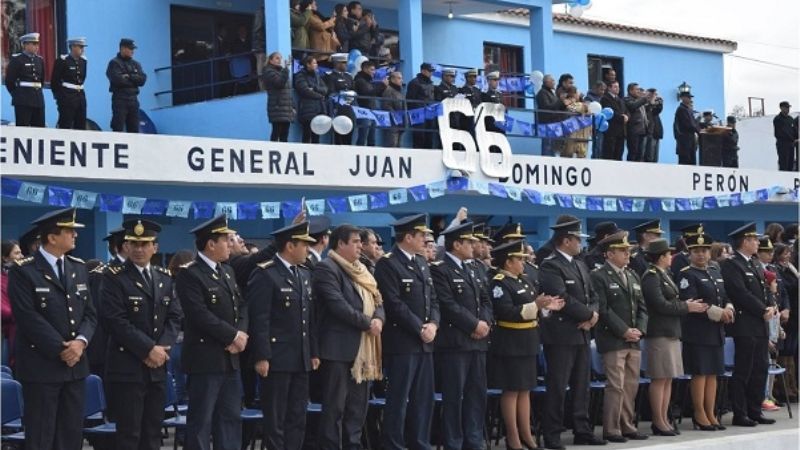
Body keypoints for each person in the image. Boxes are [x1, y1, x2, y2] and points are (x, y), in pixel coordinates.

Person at [8, 207, 96, 450]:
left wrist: (80, 343)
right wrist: (62, 348)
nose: (75, 236)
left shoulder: (78, 268)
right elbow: (27, 317)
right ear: (52, 237)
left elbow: (90, 314)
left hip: (76, 365)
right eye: (69, 231)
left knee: (71, 434)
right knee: (42, 435)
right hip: (42, 365)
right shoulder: (23, 270)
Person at [101, 219, 183, 450]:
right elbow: (115, 321)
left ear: (154, 248)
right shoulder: (114, 278)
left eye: (144, 244)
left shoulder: (163, 277)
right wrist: (149, 349)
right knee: (129, 433)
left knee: (153, 431)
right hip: (128, 367)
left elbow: (174, 317)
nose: (138, 249)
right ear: (126, 246)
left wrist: (162, 347)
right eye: (133, 244)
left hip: (157, 367)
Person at [177, 214, 249, 450]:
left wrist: (241, 334)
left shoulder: (226, 271)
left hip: (230, 360)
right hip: (205, 361)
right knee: (201, 422)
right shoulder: (190, 273)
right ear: (210, 244)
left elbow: (242, 306)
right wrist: (231, 336)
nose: (230, 245)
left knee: (229, 420)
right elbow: (199, 315)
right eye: (225, 240)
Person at [248, 221, 318, 450]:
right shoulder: (266, 274)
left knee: (298, 416)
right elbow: (259, 319)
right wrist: (261, 356)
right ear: (290, 245)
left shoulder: (304, 274)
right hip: (277, 358)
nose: (308, 249)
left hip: (301, 357)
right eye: (304, 245)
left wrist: (313, 351)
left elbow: (309, 318)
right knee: (276, 419)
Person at [314, 224, 385, 450]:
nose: (359, 246)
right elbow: (338, 306)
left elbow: (378, 299)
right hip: (338, 350)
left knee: (357, 409)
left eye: (360, 242)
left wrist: (379, 320)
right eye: (354, 242)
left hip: (363, 352)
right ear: (340, 244)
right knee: (335, 408)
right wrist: (368, 323)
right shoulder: (327, 268)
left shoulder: (363, 269)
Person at [538, 216, 606, 449]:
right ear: (566, 240)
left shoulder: (579, 263)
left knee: (581, 385)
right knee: (558, 386)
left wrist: (593, 315)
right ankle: (553, 433)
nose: (580, 243)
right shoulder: (550, 265)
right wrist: (588, 315)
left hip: (582, 333)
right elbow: (561, 298)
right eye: (577, 239)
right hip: (561, 335)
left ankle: (582, 429)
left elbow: (593, 295)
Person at [489, 240, 564, 450]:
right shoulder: (499, 283)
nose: (524, 262)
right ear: (508, 261)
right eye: (519, 259)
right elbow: (506, 312)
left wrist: (547, 307)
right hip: (511, 342)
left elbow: (535, 310)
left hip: (529, 340)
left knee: (525, 390)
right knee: (512, 390)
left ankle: (526, 434)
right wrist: (535, 305)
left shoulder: (525, 281)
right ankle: (513, 437)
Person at [374, 214, 440, 450]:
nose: (426, 240)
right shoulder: (388, 263)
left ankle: (419, 443)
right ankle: (393, 444)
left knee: (423, 400)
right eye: (422, 235)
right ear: (408, 237)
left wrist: (433, 324)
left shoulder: (421, 262)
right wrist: (419, 327)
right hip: (403, 343)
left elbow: (432, 299)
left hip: (425, 342)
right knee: (399, 400)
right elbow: (393, 303)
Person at [429, 222, 493, 450]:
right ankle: (453, 442)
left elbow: (486, 300)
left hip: (478, 343)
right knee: (454, 397)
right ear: (456, 244)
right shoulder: (440, 269)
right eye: (469, 242)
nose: (474, 246)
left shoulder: (474, 269)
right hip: (455, 343)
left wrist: (484, 324)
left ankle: (473, 441)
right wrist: (474, 324)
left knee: (477, 396)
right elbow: (447, 305)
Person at [641, 239, 708, 436]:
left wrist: (685, 304)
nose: (671, 257)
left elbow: (673, 300)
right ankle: (658, 420)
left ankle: (664, 418)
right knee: (660, 378)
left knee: (668, 378)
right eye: (668, 254)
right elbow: (660, 305)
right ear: (661, 257)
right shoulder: (651, 276)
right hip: (659, 331)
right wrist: (687, 307)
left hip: (671, 331)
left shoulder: (666, 274)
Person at [591, 231, 649, 443]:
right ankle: (612, 428)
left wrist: (639, 330)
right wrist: (624, 330)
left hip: (633, 339)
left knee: (631, 384)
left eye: (628, 251)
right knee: (616, 385)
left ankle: (628, 425)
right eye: (623, 251)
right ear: (609, 254)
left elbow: (642, 307)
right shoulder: (599, 276)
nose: (628, 254)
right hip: (614, 339)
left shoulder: (632, 275)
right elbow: (604, 310)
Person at [675, 229, 734, 431]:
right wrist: (719, 313)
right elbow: (693, 303)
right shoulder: (687, 275)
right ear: (690, 253)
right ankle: (699, 413)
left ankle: (711, 412)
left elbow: (724, 296)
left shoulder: (715, 272)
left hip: (716, 331)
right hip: (698, 331)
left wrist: (729, 308)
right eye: (696, 251)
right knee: (700, 373)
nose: (701, 254)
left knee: (713, 374)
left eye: (704, 250)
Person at [720, 223, 777, 427]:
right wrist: (763, 309)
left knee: (760, 368)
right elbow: (740, 293)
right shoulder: (732, 264)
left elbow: (765, 289)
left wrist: (771, 305)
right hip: (745, 325)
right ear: (745, 241)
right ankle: (740, 413)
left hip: (760, 325)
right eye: (754, 240)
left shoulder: (753, 263)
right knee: (744, 369)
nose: (757, 243)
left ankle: (755, 410)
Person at [772, 243, 799, 402]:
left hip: (793, 312)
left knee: (791, 351)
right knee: (785, 350)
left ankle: (792, 386)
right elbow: (787, 289)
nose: (788, 255)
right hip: (785, 315)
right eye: (785, 252)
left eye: (789, 252)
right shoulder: (778, 269)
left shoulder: (790, 268)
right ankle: (783, 389)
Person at [5, 33, 45, 127]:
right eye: (34, 44)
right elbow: (9, 81)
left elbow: (41, 80)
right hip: (23, 99)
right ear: (25, 45)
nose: (37, 47)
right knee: (23, 128)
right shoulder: (17, 59)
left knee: (40, 129)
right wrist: (17, 95)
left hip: (38, 99)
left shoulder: (39, 60)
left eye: (37, 44)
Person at [107, 38, 146, 132]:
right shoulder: (114, 63)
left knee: (134, 128)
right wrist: (134, 80)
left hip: (133, 99)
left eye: (133, 49)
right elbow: (118, 80)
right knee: (118, 126)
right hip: (120, 99)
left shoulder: (136, 64)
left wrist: (129, 76)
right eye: (130, 49)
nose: (132, 51)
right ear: (123, 48)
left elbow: (142, 80)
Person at [51, 37, 88, 129]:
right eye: (81, 47)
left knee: (80, 123)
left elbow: (82, 78)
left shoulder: (83, 61)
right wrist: (59, 97)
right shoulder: (63, 60)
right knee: (66, 123)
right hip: (67, 96)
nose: (83, 49)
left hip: (80, 96)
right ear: (73, 47)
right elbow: (55, 81)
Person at [295, 55, 328, 143]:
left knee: (316, 137)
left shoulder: (317, 76)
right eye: (314, 63)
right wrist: (320, 96)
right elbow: (304, 90)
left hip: (318, 109)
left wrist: (314, 88)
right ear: (308, 64)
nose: (316, 65)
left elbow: (325, 89)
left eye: (316, 63)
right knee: (307, 135)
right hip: (307, 110)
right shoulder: (300, 75)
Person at [354, 60, 388, 146]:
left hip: (372, 112)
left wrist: (384, 87)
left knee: (372, 139)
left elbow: (375, 93)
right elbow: (367, 93)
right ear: (365, 69)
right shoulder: (360, 80)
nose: (374, 72)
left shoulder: (369, 81)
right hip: (363, 112)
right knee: (363, 137)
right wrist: (382, 85)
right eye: (372, 69)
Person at [263, 52, 294, 142]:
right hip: (277, 106)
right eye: (277, 58)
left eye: (280, 58)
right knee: (276, 131)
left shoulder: (281, 71)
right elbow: (279, 83)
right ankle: (273, 152)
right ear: (270, 60)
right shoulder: (268, 71)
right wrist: (286, 69)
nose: (279, 60)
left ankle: (284, 152)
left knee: (285, 133)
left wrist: (292, 106)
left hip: (286, 108)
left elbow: (287, 91)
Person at [326, 53, 356, 145]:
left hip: (349, 107)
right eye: (344, 63)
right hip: (338, 107)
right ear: (337, 63)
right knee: (338, 133)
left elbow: (353, 89)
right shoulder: (330, 76)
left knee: (350, 129)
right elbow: (331, 92)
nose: (346, 65)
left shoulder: (348, 76)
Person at [1, 240, 23, 368]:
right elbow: (4, 311)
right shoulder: (2, 279)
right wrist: (24, 312)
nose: (21, 256)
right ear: (4, 257)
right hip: (7, 336)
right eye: (17, 253)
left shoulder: (21, 277)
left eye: (21, 252)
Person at [536, 74, 567, 157]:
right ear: (547, 82)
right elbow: (547, 108)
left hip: (554, 123)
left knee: (553, 147)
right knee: (547, 147)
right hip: (547, 124)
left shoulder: (551, 93)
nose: (554, 82)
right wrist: (560, 100)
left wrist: (564, 103)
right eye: (552, 81)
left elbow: (556, 106)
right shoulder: (542, 93)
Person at [406, 63, 436, 149]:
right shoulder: (414, 83)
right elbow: (410, 100)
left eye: (432, 71)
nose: (431, 73)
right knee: (419, 137)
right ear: (423, 71)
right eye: (429, 71)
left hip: (430, 114)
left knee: (429, 138)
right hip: (418, 114)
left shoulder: (430, 83)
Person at [600, 81, 629, 160]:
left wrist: (627, 116)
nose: (617, 89)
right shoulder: (605, 99)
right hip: (611, 130)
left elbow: (625, 111)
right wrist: (621, 117)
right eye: (615, 87)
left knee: (619, 154)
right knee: (609, 154)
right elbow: (609, 112)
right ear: (609, 88)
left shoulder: (620, 100)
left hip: (621, 131)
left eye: (618, 87)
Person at [623, 82, 650, 162]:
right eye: (637, 89)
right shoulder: (627, 99)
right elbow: (633, 106)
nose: (639, 91)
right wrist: (644, 99)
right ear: (630, 91)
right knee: (633, 153)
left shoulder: (639, 101)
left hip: (642, 130)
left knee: (640, 154)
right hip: (633, 131)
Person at [674, 91, 701, 165]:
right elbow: (689, 124)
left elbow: (694, 123)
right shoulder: (681, 109)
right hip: (684, 140)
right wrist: (699, 131)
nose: (690, 99)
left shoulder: (688, 110)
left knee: (691, 162)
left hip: (690, 140)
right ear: (682, 98)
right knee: (685, 161)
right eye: (688, 97)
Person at [562, 86, 589, 158]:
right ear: (573, 94)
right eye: (578, 93)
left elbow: (589, 112)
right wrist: (584, 106)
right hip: (571, 134)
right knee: (567, 155)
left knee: (581, 155)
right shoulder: (567, 103)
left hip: (581, 134)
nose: (579, 95)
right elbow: (573, 109)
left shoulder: (581, 104)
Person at [381, 70, 405, 147]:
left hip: (400, 123)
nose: (401, 80)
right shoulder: (388, 90)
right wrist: (396, 117)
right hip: (392, 124)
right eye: (399, 78)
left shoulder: (400, 92)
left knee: (398, 146)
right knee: (392, 145)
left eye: (401, 78)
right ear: (392, 79)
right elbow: (386, 106)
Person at [773, 101, 797, 171]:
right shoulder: (778, 119)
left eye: (788, 107)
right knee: (784, 164)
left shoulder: (790, 119)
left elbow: (795, 130)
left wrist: (797, 138)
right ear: (781, 108)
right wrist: (792, 138)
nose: (788, 109)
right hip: (783, 144)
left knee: (791, 164)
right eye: (786, 107)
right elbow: (781, 132)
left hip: (791, 145)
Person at [643, 88, 663, 163]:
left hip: (656, 132)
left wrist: (658, 102)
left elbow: (658, 110)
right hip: (648, 133)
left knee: (655, 158)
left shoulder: (654, 105)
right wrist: (651, 100)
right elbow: (648, 109)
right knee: (649, 157)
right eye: (651, 94)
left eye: (654, 94)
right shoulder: (644, 105)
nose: (654, 96)